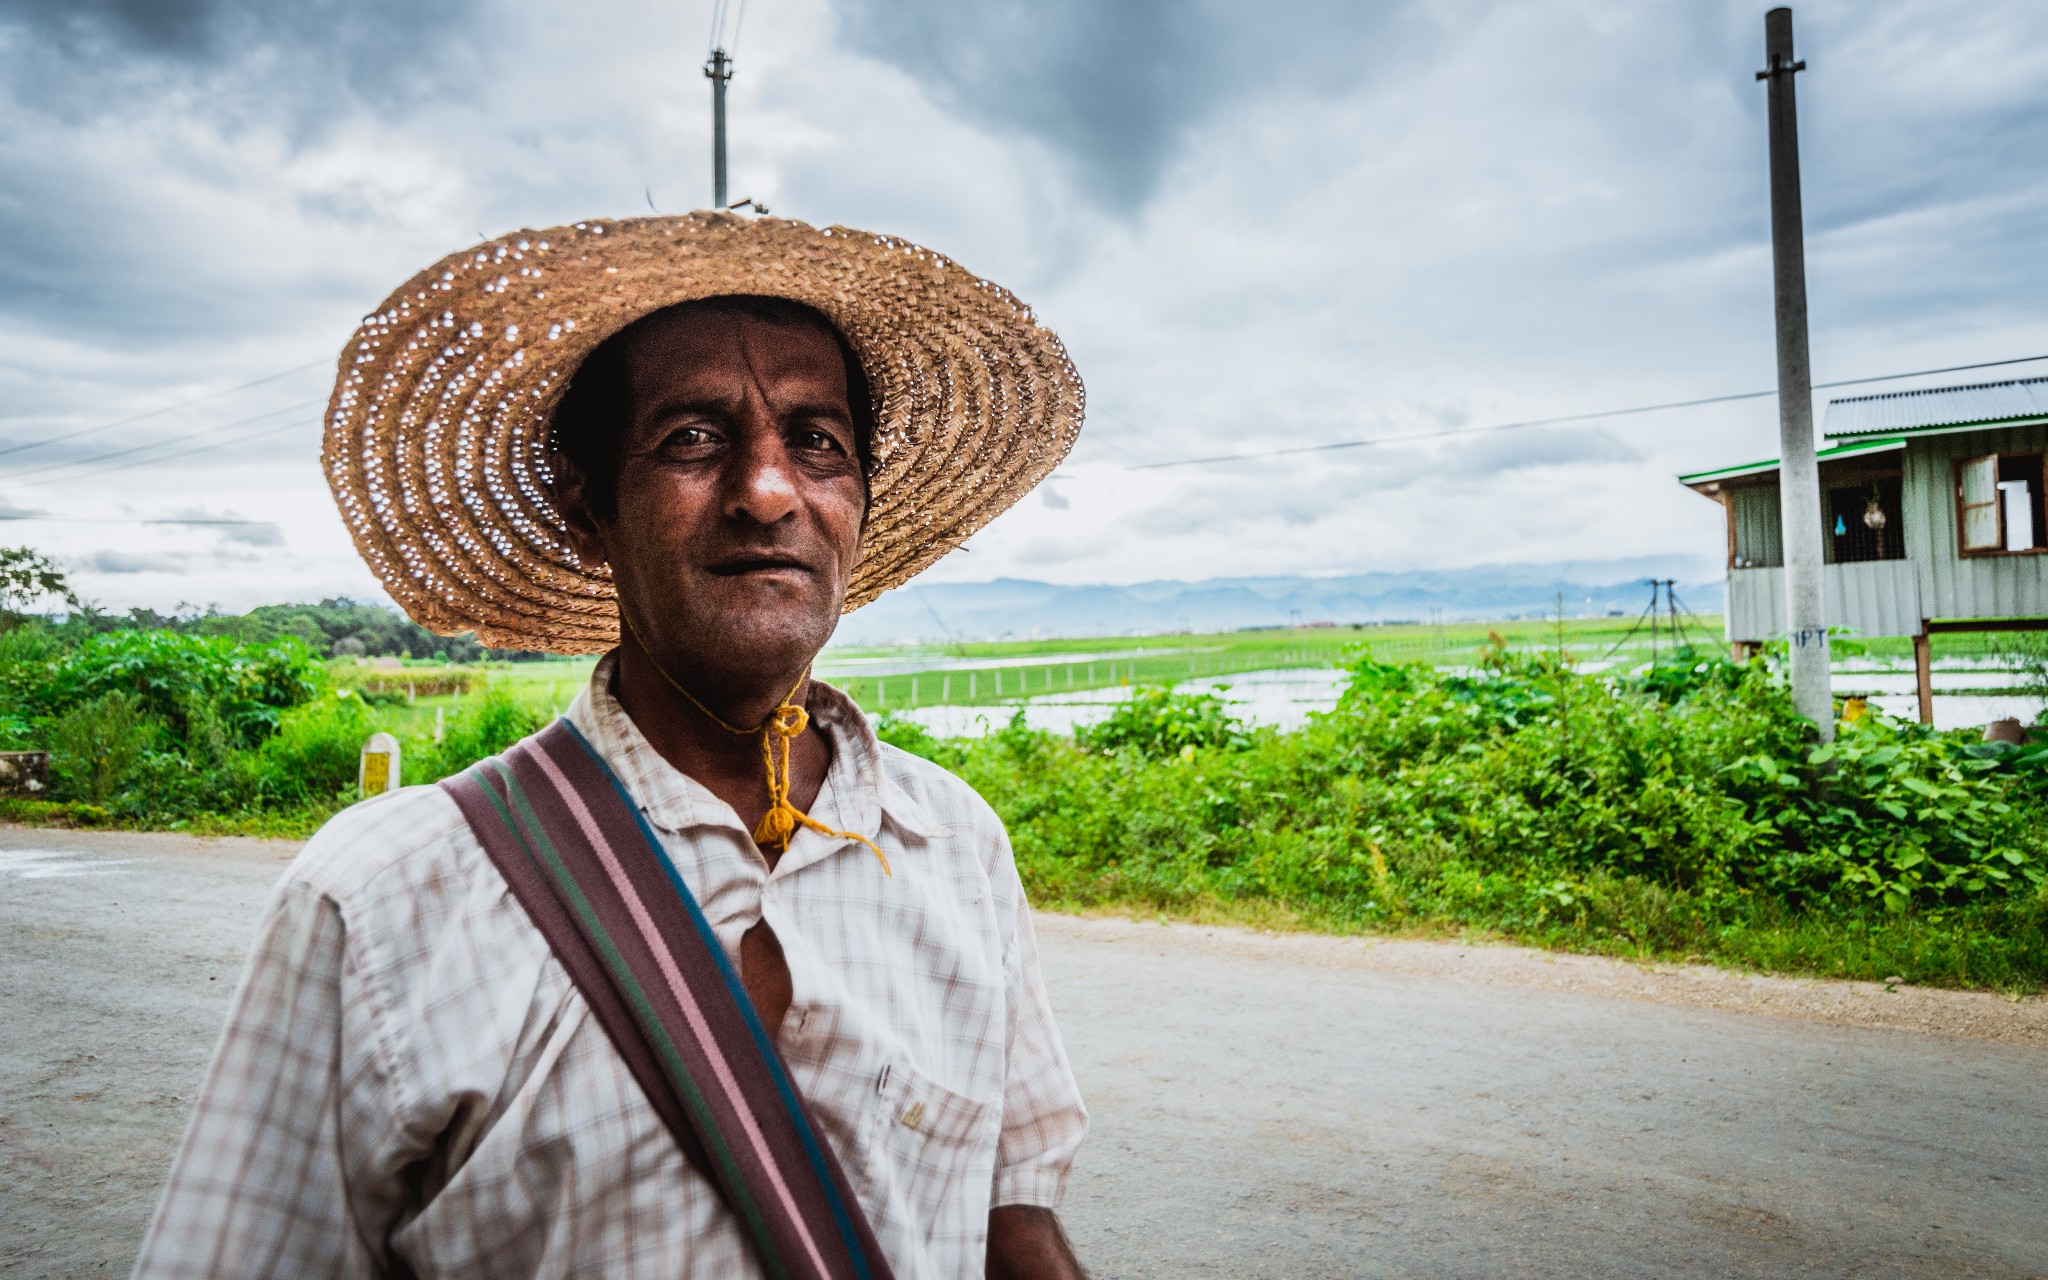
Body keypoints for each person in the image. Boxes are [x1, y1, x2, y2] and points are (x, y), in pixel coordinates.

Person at [132, 214, 1090, 1279]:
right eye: (692, 437)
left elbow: (1012, 1221)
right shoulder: (378, 897)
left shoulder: (954, 840)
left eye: (816, 441)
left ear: (856, 498)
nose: (767, 489)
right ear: (586, 506)